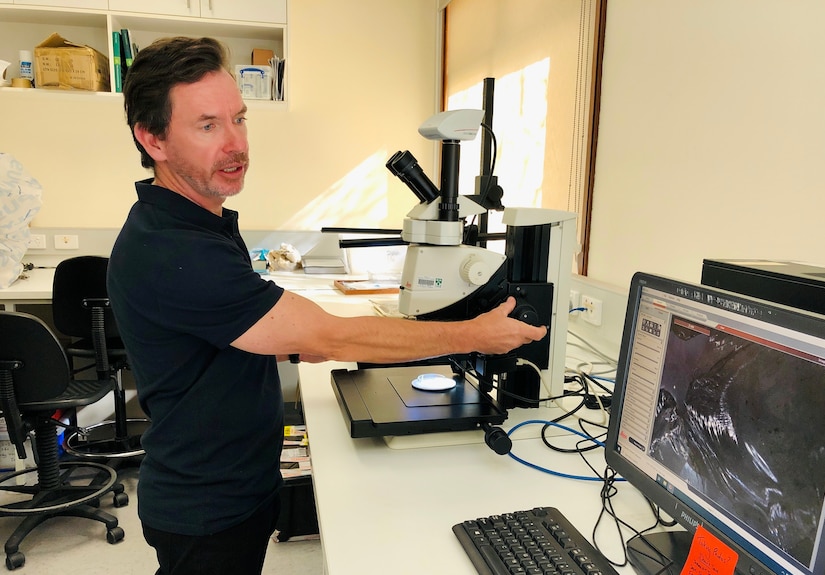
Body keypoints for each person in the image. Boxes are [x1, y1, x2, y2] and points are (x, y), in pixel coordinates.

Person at [107, 36, 546, 575]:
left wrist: (294, 344)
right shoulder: (174, 250)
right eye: (207, 126)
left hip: (223, 482)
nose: (235, 144)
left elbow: (230, 344)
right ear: (152, 138)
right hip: (206, 503)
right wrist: (473, 334)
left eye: (239, 119)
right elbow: (333, 338)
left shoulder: (193, 221)